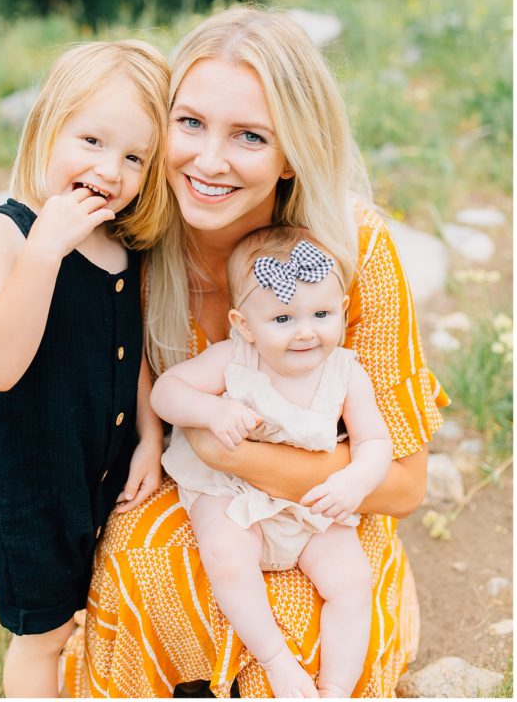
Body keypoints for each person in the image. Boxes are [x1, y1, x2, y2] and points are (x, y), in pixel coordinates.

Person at [0, 6, 448, 698]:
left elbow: (403, 484)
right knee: (143, 569)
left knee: (301, 629)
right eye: (190, 124)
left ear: (291, 150)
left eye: (249, 136)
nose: (208, 161)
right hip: (199, 499)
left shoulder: (348, 253)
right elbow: (47, 295)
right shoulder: (141, 225)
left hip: (323, 508)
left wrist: (224, 450)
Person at [0, 40, 169, 698]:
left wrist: (152, 438)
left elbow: (126, 350)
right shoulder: (5, 233)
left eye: (134, 157)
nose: (110, 169)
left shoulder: (122, 243)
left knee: (83, 609)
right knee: (41, 635)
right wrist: (44, 252)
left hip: (98, 472)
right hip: (27, 487)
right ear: (49, 125)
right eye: (91, 140)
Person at [151, 226, 392, 698]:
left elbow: (375, 443)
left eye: (321, 314)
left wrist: (357, 481)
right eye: (282, 319)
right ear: (244, 325)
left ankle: (336, 687)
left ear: (342, 309)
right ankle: (276, 661)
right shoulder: (232, 359)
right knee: (225, 554)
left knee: (352, 579)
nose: (306, 331)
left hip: (306, 500)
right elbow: (166, 392)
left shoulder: (346, 372)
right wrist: (212, 410)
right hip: (232, 491)